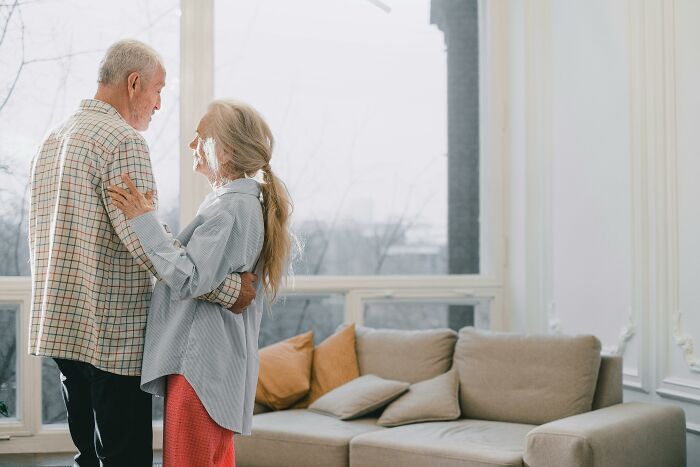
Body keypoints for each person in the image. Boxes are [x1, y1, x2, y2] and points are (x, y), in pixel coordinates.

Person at [28, 40, 256, 467]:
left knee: (88, 457)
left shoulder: (52, 140)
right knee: (124, 458)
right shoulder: (122, 142)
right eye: (158, 90)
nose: (158, 104)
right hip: (112, 336)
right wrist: (228, 290)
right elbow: (144, 239)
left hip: (62, 328)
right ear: (134, 83)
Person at [107, 99, 293, 467]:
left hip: (199, 370)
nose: (192, 144)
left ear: (225, 151)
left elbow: (189, 277)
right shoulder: (235, 203)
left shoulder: (231, 208)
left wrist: (144, 220)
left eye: (200, 136)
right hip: (212, 368)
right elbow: (203, 272)